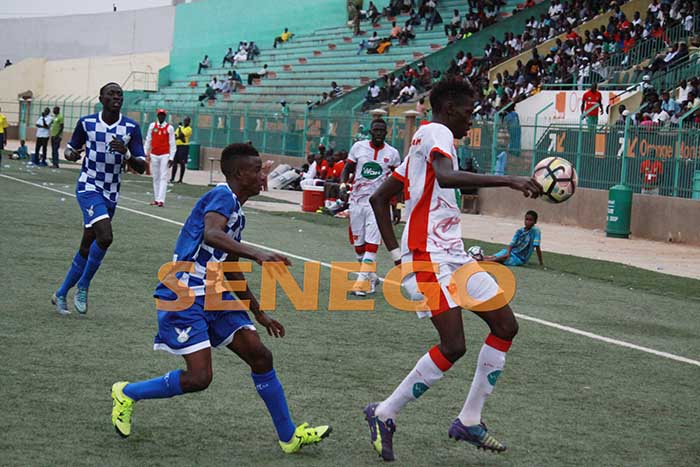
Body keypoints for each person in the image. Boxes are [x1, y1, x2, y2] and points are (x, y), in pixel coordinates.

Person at [110, 143, 332, 453]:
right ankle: (128, 392)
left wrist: (259, 313)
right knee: (200, 378)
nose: (262, 176)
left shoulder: (236, 211)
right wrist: (257, 253)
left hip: (215, 293)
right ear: (240, 173)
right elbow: (211, 234)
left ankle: (289, 436)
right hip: (185, 293)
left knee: (260, 356)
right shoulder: (221, 196)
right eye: (256, 170)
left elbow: (228, 265)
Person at [366, 77, 542, 461]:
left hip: (453, 256)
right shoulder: (436, 132)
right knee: (454, 345)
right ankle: (384, 413)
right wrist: (510, 179)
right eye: (469, 112)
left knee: (505, 326)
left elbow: (380, 198)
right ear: (449, 109)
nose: (471, 120)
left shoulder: (421, 145)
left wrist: (396, 256)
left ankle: (470, 420)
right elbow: (446, 177)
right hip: (429, 258)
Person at [52, 82, 146, 315]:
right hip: (89, 185)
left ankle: (61, 293)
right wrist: (71, 154)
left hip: (111, 192)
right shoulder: (87, 123)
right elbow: (70, 149)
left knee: (88, 244)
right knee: (105, 236)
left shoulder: (131, 127)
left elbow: (142, 166)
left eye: (120, 95)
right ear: (101, 98)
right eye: (111, 94)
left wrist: (125, 153)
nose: (116, 97)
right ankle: (83, 286)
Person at [340, 118, 401, 296]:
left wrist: (396, 206)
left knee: (371, 244)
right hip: (357, 202)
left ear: (386, 132)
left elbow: (398, 182)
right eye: (376, 130)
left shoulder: (393, 153)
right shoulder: (358, 148)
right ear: (371, 131)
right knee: (359, 246)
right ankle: (371, 277)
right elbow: (347, 169)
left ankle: (361, 284)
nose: (379, 133)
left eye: (382, 130)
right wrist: (343, 186)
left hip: (378, 205)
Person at [145, 109, 176, 207]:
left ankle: (161, 200)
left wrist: (171, 157)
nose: (161, 117)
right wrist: (145, 153)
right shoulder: (152, 126)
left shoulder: (169, 128)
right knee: (156, 177)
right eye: (160, 115)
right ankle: (156, 198)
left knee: (163, 176)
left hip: (164, 155)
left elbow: (172, 143)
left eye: (163, 115)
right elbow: (148, 140)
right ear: (157, 116)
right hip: (154, 154)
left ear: (165, 116)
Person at [172, 116, 192, 183]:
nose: (185, 122)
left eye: (186, 121)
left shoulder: (189, 129)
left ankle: (180, 179)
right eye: (184, 120)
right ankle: (172, 178)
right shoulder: (180, 128)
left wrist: (180, 130)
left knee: (182, 163)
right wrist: (179, 137)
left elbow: (181, 135)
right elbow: (175, 135)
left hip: (184, 147)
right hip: (177, 146)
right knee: (174, 162)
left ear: (189, 122)